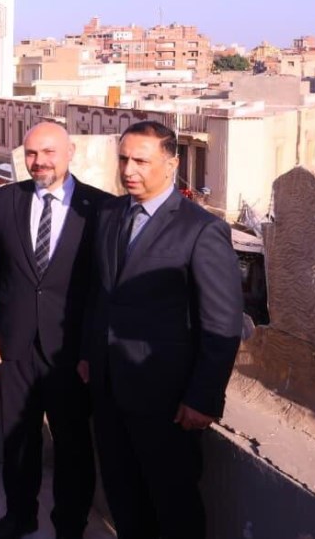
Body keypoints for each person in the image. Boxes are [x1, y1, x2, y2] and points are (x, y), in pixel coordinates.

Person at [79, 120, 243, 539]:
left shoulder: (201, 229)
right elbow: (101, 294)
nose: (129, 170)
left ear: (171, 164)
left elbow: (221, 322)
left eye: (141, 161)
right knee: (124, 497)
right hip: (110, 388)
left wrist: (203, 397)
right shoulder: (112, 213)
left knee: (173, 505)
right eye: (123, 159)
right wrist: (89, 354)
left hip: (167, 401)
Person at [0, 122, 111, 539]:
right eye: (31, 154)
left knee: (72, 445)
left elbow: (101, 288)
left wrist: (91, 349)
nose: (39, 162)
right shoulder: (5, 199)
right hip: (13, 346)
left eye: (48, 152)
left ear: (70, 152)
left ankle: (69, 523)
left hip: (70, 353)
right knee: (18, 439)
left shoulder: (99, 208)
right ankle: (20, 515)